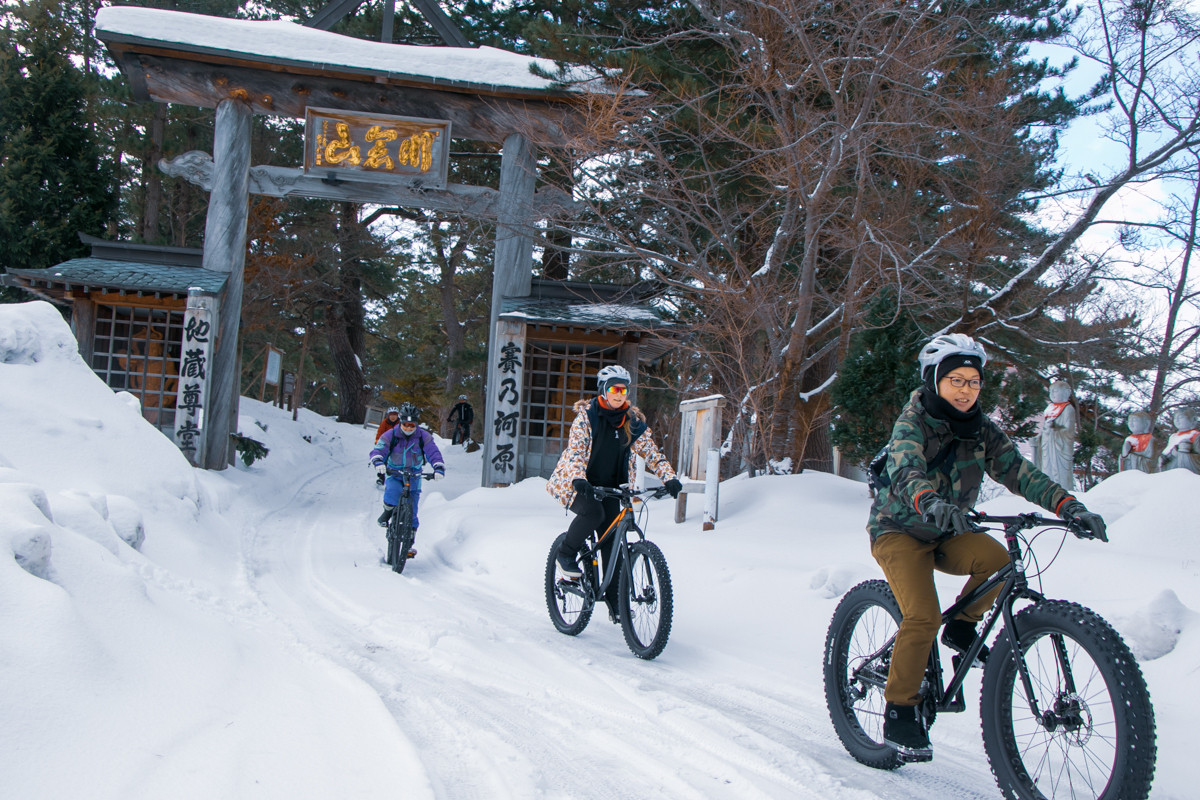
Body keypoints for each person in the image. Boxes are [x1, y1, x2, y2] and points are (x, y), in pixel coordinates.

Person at [867, 333, 1107, 760]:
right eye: (955, 380)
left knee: (998, 561)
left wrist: (1070, 506)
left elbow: (1022, 473)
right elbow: (906, 470)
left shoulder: (981, 430)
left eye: (973, 382)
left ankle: (960, 627)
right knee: (921, 616)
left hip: (947, 529)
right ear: (934, 380)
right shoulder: (913, 421)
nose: (965, 390)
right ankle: (899, 711)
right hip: (899, 530)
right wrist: (931, 502)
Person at [546, 365, 683, 621]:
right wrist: (578, 478)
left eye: (624, 389)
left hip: (612, 488)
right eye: (614, 389)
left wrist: (669, 477)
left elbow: (652, 452)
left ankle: (614, 601)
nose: (619, 394)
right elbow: (575, 452)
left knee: (612, 541)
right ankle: (565, 553)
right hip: (580, 483)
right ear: (604, 390)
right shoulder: (588, 418)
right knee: (593, 513)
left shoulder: (631, 421)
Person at [369, 403, 445, 558]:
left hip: (414, 475)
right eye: (405, 424)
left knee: (413, 510)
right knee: (392, 492)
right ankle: (387, 513)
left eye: (412, 425)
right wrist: (378, 462)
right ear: (401, 422)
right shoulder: (391, 434)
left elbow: (433, 452)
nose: (409, 428)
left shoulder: (423, 436)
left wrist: (438, 467)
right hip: (395, 472)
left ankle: (408, 545)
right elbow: (379, 449)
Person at [374, 406, 402, 484]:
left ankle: (395, 478)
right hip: (386, 445)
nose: (393, 417)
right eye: (391, 415)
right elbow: (379, 434)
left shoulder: (400, 424)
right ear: (388, 415)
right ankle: (381, 477)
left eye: (395, 415)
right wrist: (378, 445)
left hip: (397, 445)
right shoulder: (384, 423)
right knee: (383, 460)